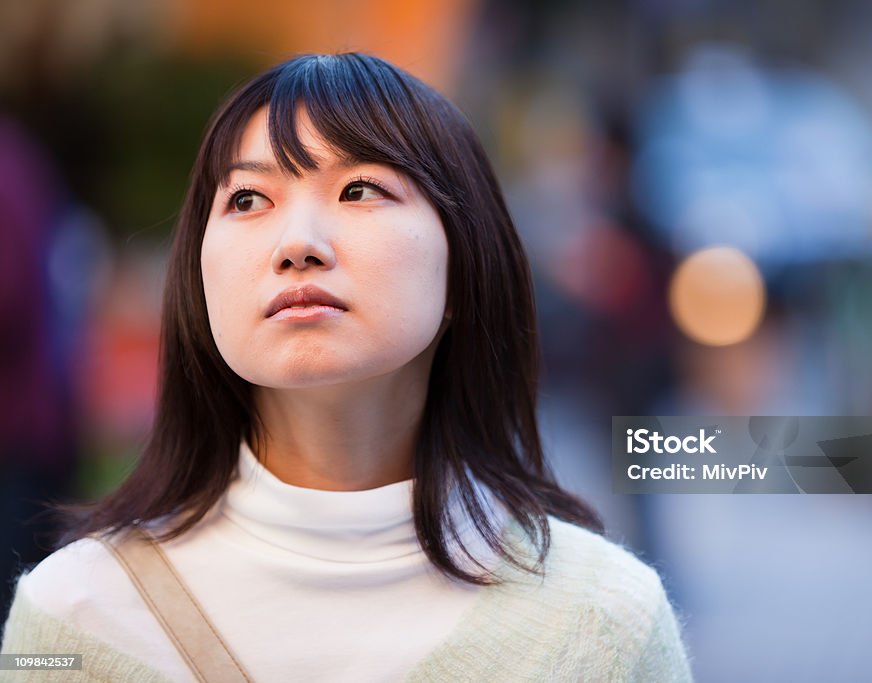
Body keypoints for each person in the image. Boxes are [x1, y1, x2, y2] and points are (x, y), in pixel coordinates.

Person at [0, 53, 693, 682]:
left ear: (464, 263)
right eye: (247, 199)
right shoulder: (73, 617)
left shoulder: (601, 626)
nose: (297, 243)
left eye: (360, 190)